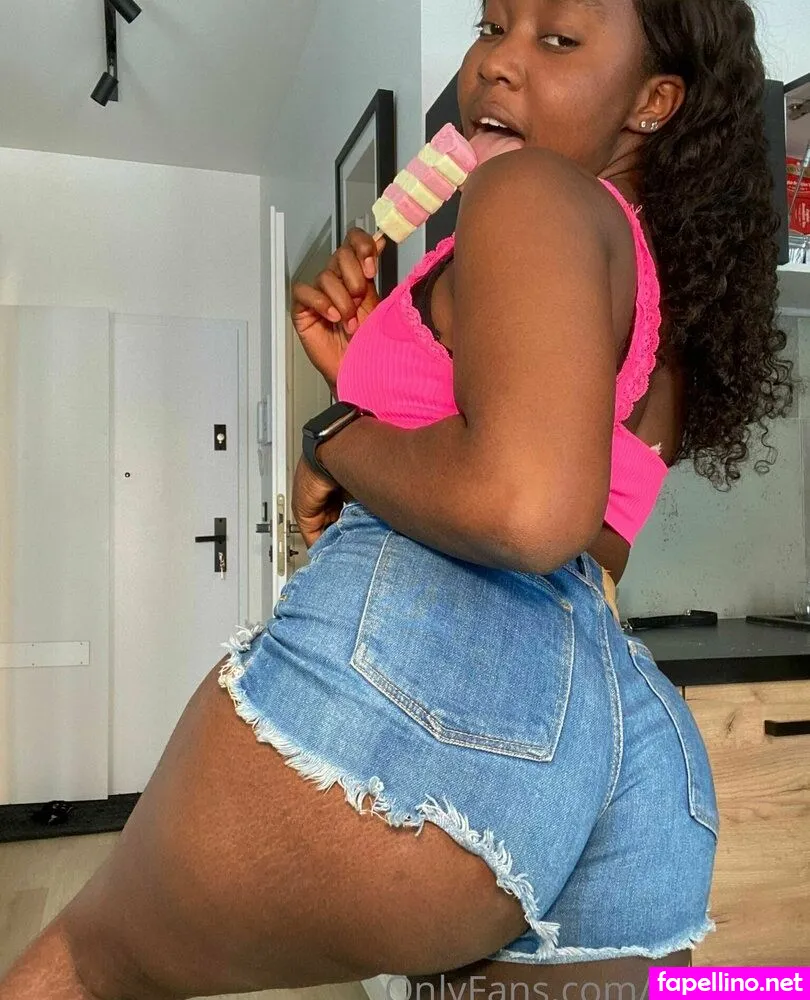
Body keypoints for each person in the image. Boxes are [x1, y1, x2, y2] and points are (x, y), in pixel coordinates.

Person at [0, 0, 793, 997]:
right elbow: (595, 543)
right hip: (625, 761)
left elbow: (526, 509)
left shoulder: (528, 191)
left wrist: (334, 436)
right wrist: (371, 378)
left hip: (425, 693)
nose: (497, 62)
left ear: (653, 101)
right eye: (492, 25)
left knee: (86, 962)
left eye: (557, 39)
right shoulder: (650, 304)